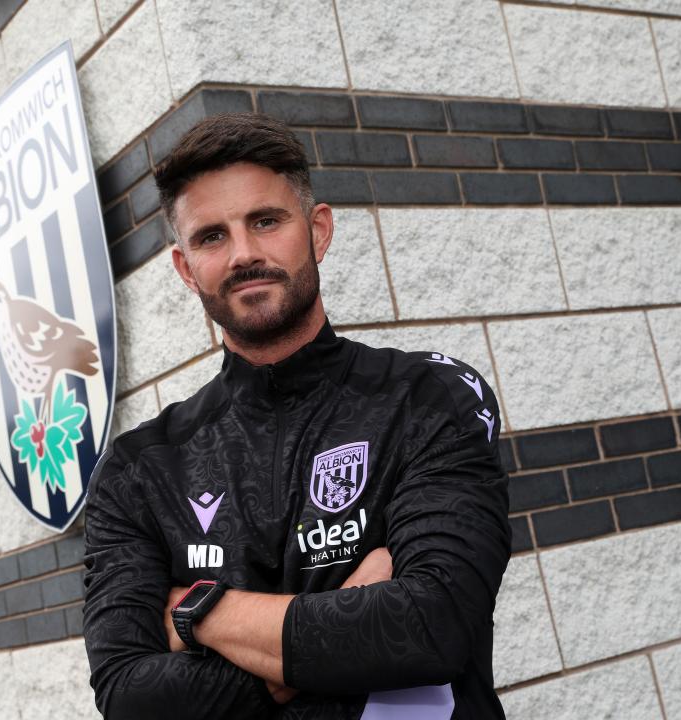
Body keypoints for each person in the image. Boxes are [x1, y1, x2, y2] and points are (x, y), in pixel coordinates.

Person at [83, 113, 511, 720]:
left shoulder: (428, 397)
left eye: (266, 221)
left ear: (318, 230)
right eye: (212, 237)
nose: (244, 254)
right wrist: (344, 627)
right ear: (185, 268)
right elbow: (131, 698)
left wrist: (200, 613)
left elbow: (430, 627)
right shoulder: (138, 470)